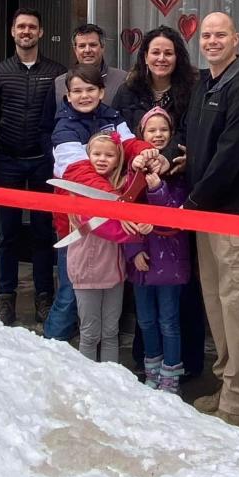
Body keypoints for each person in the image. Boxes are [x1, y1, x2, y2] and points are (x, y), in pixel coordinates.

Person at [184, 12, 239, 430]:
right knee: (217, 308)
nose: (212, 41)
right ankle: (226, 386)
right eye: (206, 34)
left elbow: (230, 154)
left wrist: (196, 199)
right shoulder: (206, 85)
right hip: (208, 216)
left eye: (221, 34)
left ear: (236, 40)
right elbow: (198, 146)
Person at [113, 25, 203, 378]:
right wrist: (143, 158)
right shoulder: (128, 91)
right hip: (138, 189)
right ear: (144, 57)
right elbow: (117, 132)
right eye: (155, 52)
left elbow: (196, 131)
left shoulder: (191, 90)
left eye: (168, 52)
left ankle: (183, 363)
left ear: (177, 56)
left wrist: (171, 156)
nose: (162, 58)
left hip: (179, 191)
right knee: (145, 275)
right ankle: (148, 359)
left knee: (182, 279)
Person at [40, 23, 126, 341]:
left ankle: (87, 346)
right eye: (81, 46)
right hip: (74, 214)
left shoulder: (119, 86)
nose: (87, 49)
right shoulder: (61, 94)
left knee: (102, 284)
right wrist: (116, 200)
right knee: (71, 285)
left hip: (108, 217)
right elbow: (70, 162)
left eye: (93, 44)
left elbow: (127, 143)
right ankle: (54, 345)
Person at [0, 9, 66, 326]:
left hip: (42, 163)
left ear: (41, 32)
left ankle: (43, 297)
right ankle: (5, 298)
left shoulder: (57, 73)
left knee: (42, 233)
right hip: (8, 161)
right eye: (21, 26)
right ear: (12, 31)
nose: (26, 31)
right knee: (7, 234)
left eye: (32, 26)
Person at [63, 131, 155, 362]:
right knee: (90, 333)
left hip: (115, 274)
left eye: (109, 155)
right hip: (87, 273)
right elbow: (110, 230)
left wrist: (142, 159)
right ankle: (89, 381)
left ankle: (113, 383)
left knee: (111, 332)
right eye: (96, 154)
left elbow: (136, 185)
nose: (102, 159)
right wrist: (139, 233)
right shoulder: (80, 192)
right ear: (88, 157)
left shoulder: (120, 188)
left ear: (118, 159)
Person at [124, 108, 191, 394]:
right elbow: (124, 210)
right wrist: (133, 251)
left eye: (163, 129)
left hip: (170, 262)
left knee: (168, 320)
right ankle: (151, 369)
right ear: (142, 135)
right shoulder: (134, 170)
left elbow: (175, 215)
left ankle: (170, 374)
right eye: (151, 130)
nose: (158, 135)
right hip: (142, 261)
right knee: (146, 320)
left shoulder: (178, 171)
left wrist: (157, 188)